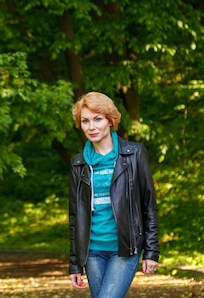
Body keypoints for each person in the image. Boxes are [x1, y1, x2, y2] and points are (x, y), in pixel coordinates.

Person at [68, 92, 160, 298]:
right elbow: (75, 217)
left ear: (110, 120)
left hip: (125, 249)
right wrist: (75, 264)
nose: (91, 127)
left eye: (97, 119)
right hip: (92, 252)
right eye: (85, 121)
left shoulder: (134, 154)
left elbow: (148, 205)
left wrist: (152, 251)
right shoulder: (78, 164)